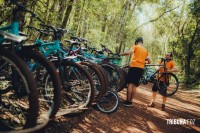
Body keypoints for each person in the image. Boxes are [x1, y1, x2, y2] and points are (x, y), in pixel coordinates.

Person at [120, 37, 150, 107]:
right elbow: (149, 61)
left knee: (130, 84)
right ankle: (130, 102)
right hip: (141, 69)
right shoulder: (145, 50)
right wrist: (143, 61)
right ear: (142, 42)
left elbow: (129, 52)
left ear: (136, 42)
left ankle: (127, 101)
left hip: (134, 67)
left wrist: (121, 54)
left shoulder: (135, 46)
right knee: (135, 85)